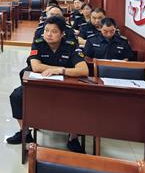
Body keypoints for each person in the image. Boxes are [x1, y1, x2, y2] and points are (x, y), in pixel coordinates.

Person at [7, 16, 88, 152]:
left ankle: (73, 137)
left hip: (65, 86)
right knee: (16, 96)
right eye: (46, 30)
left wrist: (60, 70)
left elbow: (83, 70)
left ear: (62, 34)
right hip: (41, 85)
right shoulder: (38, 43)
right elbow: (35, 66)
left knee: (79, 100)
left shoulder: (71, 45)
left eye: (54, 31)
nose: (49, 34)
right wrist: (64, 69)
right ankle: (25, 133)